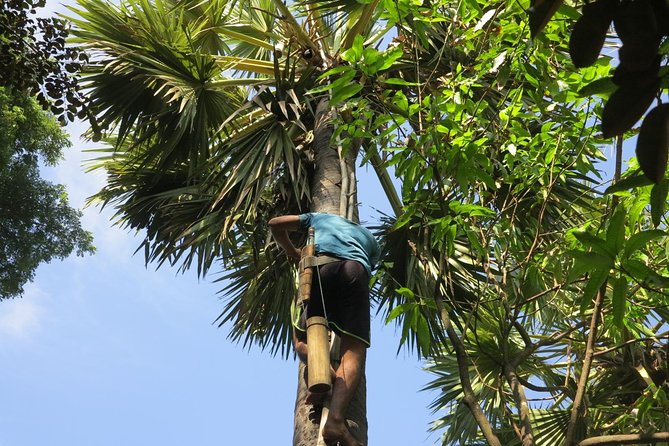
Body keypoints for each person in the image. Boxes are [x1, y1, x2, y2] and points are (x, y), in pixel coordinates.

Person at [269, 212, 380, 446]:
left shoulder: (319, 217)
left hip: (320, 270)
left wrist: (293, 253)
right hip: (355, 271)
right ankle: (336, 421)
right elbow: (367, 267)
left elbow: (275, 224)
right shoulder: (370, 239)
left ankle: (325, 372)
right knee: (353, 351)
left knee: (301, 340)